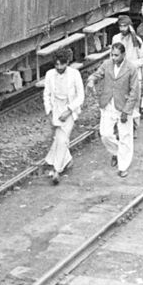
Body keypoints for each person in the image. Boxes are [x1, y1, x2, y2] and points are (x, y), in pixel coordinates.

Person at [86, 43, 140, 178]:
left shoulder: (131, 68)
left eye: (116, 55)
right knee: (104, 134)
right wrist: (91, 80)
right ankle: (116, 152)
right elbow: (97, 74)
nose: (114, 58)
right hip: (108, 104)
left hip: (123, 106)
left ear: (123, 54)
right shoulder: (107, 64)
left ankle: (123, 167)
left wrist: (126, 111)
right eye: (112, 55)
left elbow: (135, 91)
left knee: (125, 137)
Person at [42, 48, 84, 185]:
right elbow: (46, 94)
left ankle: (56, 170)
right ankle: (68, 160)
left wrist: (69, 110)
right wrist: (49, 112)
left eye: (62, 64)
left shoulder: (75, 74)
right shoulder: (49, 75)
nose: (59, 68)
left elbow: (80, 96)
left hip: (69, 109)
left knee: (62, 139)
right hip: (56, 109)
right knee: (58, 137)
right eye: (57, 65)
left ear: (67, 63)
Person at [112, 15, 143, 133]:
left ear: (129, 26)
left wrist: (132, 65)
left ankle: (134, 127)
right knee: (120, 101)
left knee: (134, 102)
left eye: (125, 26)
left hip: (134, 76)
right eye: (120, 26)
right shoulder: (115, 38)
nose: (122, 29)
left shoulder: (137, 40)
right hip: (120, 76)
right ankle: (121, 127)